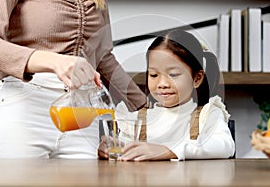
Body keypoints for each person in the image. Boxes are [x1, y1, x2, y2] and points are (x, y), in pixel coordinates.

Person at [0, 0, 146, 158]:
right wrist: (54, 61)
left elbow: (102, 57)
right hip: (25, 108)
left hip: (82, 115)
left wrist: (142, 106)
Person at [98, 29, 235, 161]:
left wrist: (168, 151)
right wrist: (111, 147)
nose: (162, 83)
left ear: (197, 78)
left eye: (173, 74)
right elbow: (125, 150)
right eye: (154, 75)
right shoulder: (138, 119)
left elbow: (225, 146)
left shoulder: (207, 115)